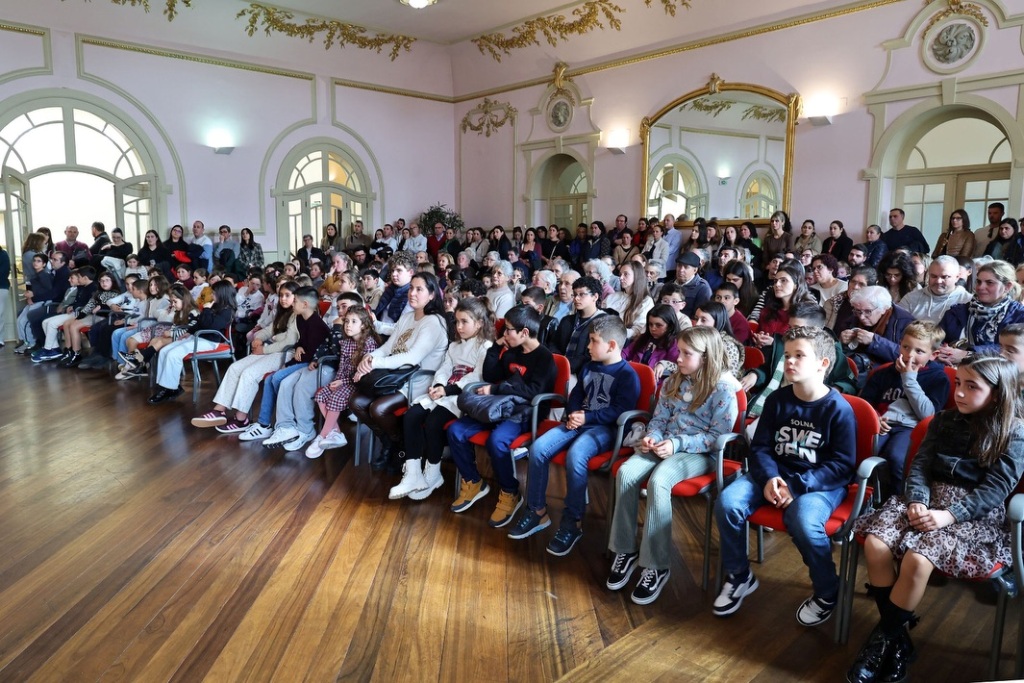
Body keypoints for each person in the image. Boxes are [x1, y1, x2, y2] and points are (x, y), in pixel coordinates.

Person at [847, 355, 1024, 683]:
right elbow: (920, 465)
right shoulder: (943, 421)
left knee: (918, 558)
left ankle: (880, 644)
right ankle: (897, 642)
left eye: (972, 387)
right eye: (958, 383)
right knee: (875, 544)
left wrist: (949, 515)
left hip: (972, 514)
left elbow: (996, 490)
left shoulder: (1014, 432)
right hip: (927, 498)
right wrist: (917, 500)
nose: (959, 393)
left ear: (998, 393)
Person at [714, 325, 857, 624]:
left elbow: (842, 466)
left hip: (819, 483)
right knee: (728, 503)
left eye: (799, 355)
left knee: (803, 520)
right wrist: (769, 478)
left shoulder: (838, 408)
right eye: (787, 355)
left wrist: (795, 486)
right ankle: (740, 576)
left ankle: (828, 590)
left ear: (823, 364)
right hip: (774, 475)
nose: (789, 361)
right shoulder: (778, 400)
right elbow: (761, 447)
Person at [607, 326, 739, 604]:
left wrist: (676, 444)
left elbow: (716, 438)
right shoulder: (673, 381)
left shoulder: (724, 390)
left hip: (700, 454)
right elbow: (659, 418)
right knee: (627, 473)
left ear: (706, 357)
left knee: (659, 480)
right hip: (666, 444)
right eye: (679, 351)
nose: (678, 358)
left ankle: (656, 565)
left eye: (687, 353)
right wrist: (653, 437)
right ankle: (625, 550)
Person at [509, 316, 640, 555]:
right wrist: (573, 413)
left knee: (576, 455)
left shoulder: (627, 375)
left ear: (611, 345)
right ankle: (537, 511)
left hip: (606, 429)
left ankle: (573, 521)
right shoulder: (590, 366)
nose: (588, 347)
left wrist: (586, 418)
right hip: (579, 421)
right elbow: (577, 395)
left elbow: (621, 411)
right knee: (538, 449)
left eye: (593, 341)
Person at [447, 305, 557, 527]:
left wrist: (497, 389)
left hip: (526, 413)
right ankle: (473, 481)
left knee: (497, 441)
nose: (504, 333)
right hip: (500, 407)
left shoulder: (544, 358)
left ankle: (510, 491)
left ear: (524, 332)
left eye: (508, 330)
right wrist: (497, 347)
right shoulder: (512, 351)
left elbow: (533, 392)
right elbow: (491, 374)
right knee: (456, 430)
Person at [390, 297, 494, 500]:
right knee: (411, 415)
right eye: (457, 321)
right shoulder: (454, 346)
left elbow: (477, 377)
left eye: (465, 322)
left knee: (433, 421)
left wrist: (447, 390)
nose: (459, 326)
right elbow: (445, 368)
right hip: (445, 390)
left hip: (464, 396)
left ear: (479, 323)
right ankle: (413, 473)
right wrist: (439, 385)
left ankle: (433, 473)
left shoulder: (485, 346)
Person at [350, 272, 449, 468]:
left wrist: (374, 363)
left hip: (418, 380)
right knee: (356, 402)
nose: (412, 293)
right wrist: (367, 359)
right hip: (395, 376)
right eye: (411, 288)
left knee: (378, 409)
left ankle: (400, 445)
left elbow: (412, 358)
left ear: (432, 295)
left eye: (419, 289)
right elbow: (387, 348)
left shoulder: (434, 322)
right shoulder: (407, 317)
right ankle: (390, 442)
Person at [190, 281, 300, 433]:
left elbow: (288, 342)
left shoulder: (297, 315)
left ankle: (241, 419)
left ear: (296, 297)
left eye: (287, 295)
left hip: (286, 354)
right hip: (270, 350)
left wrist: (264, 349)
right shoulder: (282, 313)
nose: (283, 299)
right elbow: (269, 330)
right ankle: (219, 410)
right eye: (281, 295)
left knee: (249, 374)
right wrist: (258, 338)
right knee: (235, 368)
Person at [859, 321, 949, 494]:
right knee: (864, 450)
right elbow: (866, 403)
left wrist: (908, 378)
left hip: (911, 428)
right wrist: (875, 418)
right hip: (882, 423)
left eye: (919, 351)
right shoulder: (883, 373)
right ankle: (861, 495)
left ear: (933, 354)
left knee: (896, 457)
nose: (909, 355)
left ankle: (896, 499)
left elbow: (927, 414)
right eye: (906, 347)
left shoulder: (938, 379)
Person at [239, 286, 333, 447]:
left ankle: (287, 422)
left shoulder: (317, 325)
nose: (292, 304)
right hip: (302, 360)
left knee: (278, 378)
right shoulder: (300, 318)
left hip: (311, 364)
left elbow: (312, 354)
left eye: (295, 301)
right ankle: (264, 424)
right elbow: (301, 342)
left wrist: (289, 362)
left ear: (305, 304)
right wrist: (298, 347)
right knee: (270, 380)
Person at [145, 280, 237, 404]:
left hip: (210, 341)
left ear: (222, 294)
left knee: (174, 354)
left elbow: (211, 326)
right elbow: (200, 323)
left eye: (214, 293)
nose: (212, 295)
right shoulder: (215, 306)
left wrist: (206, 310)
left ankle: (169, 388)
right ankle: (166, 386)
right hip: (199, 337)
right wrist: (189, 331)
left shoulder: (227, 311)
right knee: (165, 350)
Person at [306, 307, 380, 458]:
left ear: (364, 325)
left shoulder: (369, 343)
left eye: (353, 322)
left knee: (336, 397)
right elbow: (342, 367)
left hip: (359, 384)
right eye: (346, 321)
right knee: (321, 395)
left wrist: (343, 382)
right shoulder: (346, 343)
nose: (348, 325)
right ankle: (336, 433)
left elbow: (364, 374)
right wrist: (336, 381)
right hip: (344, 381)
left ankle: (322, 436)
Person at [937, 259, 1024, 364]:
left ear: (1007, 286)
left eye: (989, 283)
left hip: (997, 370)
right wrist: (942, 352)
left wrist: (969, 354)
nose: (980, 287)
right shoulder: (957, 311)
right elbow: (936, 340)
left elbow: (1014, 349)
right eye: (978, 282)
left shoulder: (1019, 316)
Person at [841, 285, 915, 375]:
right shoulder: (856, 315)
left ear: (884, 309)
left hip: (888, 372)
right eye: (858, 311)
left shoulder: (904, 321)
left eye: (868, 311)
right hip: (857, 365)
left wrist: (874, 341)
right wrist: (842, 341)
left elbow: (908, 356)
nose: (862, 317)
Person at [550, 276, 609, 376]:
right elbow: (554, 344)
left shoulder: (604, 323)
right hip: (559, 367)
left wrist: (566, 365)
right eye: (575, 295)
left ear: (595, 297)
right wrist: (559, 361)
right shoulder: (567, 320)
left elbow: (592, 356)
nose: (576, 298)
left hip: (584, 374)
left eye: (582, 294)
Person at [750, 260, 816, 345]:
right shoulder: (768, 309)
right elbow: (760, 330)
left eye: (783, 280)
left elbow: (805, 344)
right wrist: (759, 337)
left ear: (796, 285)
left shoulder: (807, 312)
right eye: (775, 281)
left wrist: (774, 343)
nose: (777, 284)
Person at [622, 304, 680, 378]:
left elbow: (676, 366)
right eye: (650, 324)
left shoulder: (674, 344)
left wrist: (663, 364)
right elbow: (626, 352)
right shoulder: (643, 338)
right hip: (634, 376)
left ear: (670, 326)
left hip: (656, 381)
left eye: (658, 325)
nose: (653, 328)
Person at [692, 302, 744, 379]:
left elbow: (728, 379)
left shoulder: (728, 346)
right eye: (696, 319)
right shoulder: (696, 338)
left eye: (703, 320)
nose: (697, 324)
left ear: (717, 322)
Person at [604, 261, 653, 341]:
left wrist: (613, 333)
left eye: (626, 274)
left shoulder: (646, 301)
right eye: (620, 274)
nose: (621, 278)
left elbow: (638, 330)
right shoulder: (612, 297)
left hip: (625, 341)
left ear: (637, 276)